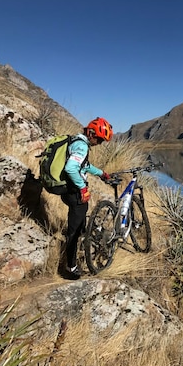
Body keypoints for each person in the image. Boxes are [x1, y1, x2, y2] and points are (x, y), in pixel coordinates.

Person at [61, 117, 113, 280]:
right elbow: (70, 168)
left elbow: (84, 166)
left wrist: (101, 173)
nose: (99, 142)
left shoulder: (77, 142)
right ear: (90, 133)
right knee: (74, 232)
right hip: (74, 191)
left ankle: (83, 250)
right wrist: (82, 188)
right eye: (98, 138)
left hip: (71, 190)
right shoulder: (82, 146)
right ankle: (70, 268)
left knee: (81, 225)